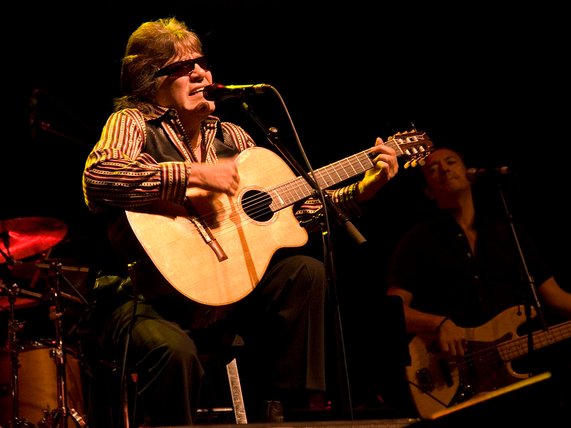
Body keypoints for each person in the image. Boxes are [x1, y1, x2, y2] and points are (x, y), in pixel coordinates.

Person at [81, 17, 399, 427]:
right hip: (144, 297)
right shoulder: (134, 123)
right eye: (181, 67)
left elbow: (298, 212)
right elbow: (99, 179)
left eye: (202, 63)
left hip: (227, 298)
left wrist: (363, 191)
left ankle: (284, 410)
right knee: (173, 352)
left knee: (304, 272)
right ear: (150, 82)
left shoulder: (234, 137)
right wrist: (193, 175)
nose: (200, 73)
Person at [386, 146, 571, 423]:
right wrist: (438, 324)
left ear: (470, 174)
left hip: (508, 378)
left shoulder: (507, 232)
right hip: (447, 375)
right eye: (433, 168)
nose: (445, 168)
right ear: (428, 192)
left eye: (451, 162)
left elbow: (554, 296)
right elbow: (393, 311)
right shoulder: (417, 242)